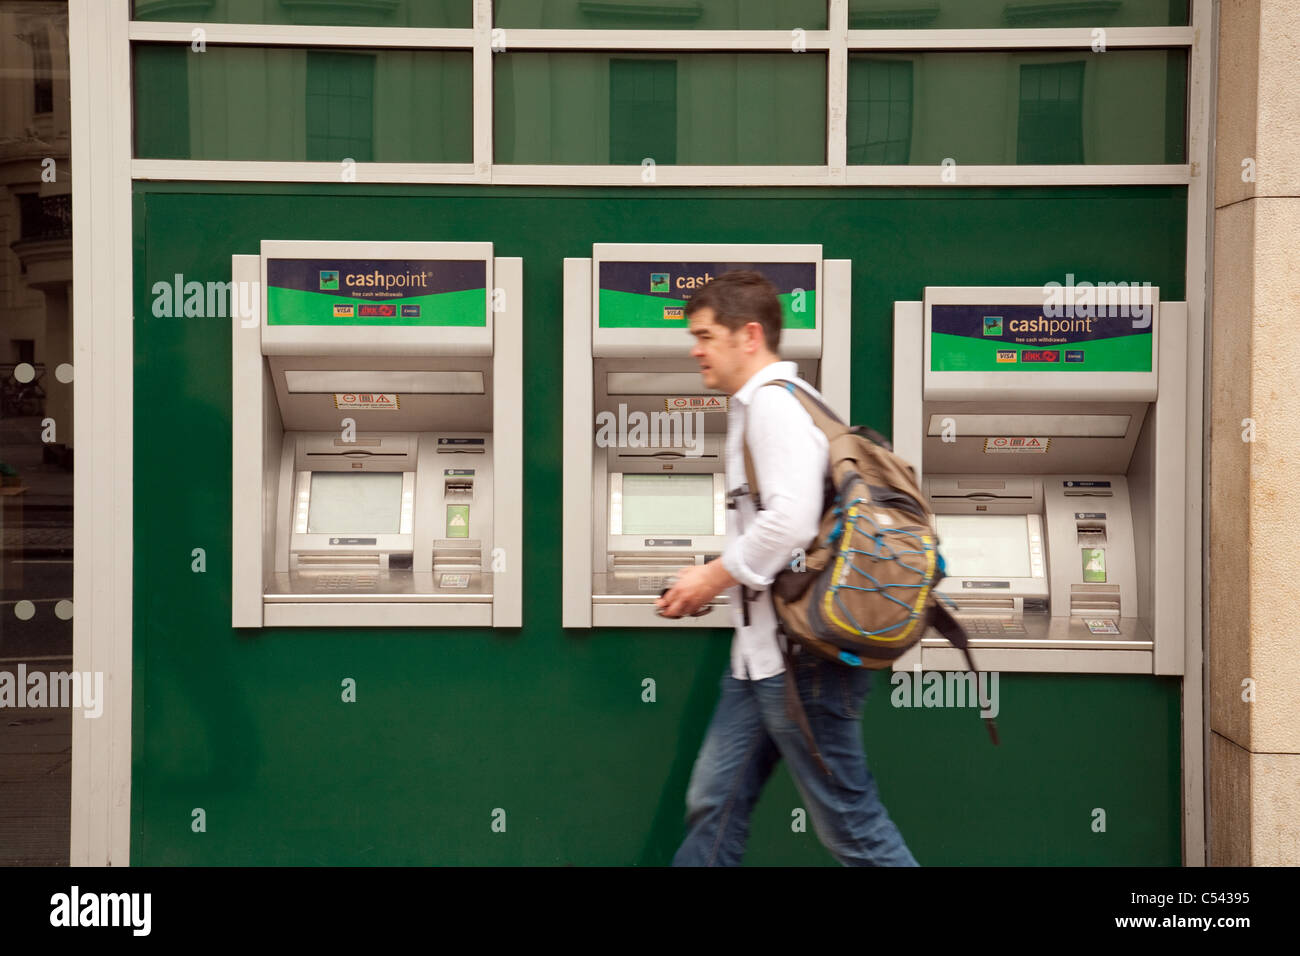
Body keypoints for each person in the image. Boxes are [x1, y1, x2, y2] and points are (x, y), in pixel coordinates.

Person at [658, 270, 918, 867]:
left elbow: (792, 522)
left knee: (853, 828)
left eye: (704, 335)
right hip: (763, 659)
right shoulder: (788, 401)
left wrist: (710, 577)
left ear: (749, 336)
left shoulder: (773, 406)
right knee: (715, 802)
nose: (695, 349)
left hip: (803, 663)